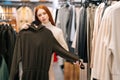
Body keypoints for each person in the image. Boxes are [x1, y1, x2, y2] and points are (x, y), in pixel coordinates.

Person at [9, 5, 84, 80]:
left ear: (48, 13)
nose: (42, 16)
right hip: (29, 74)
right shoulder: (25, 33)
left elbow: (63, 50)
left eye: (44, 13)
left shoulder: (52, 32)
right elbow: (16, 57)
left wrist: (75, 59)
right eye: (39, 15)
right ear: (37, 17)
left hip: (47, 71)